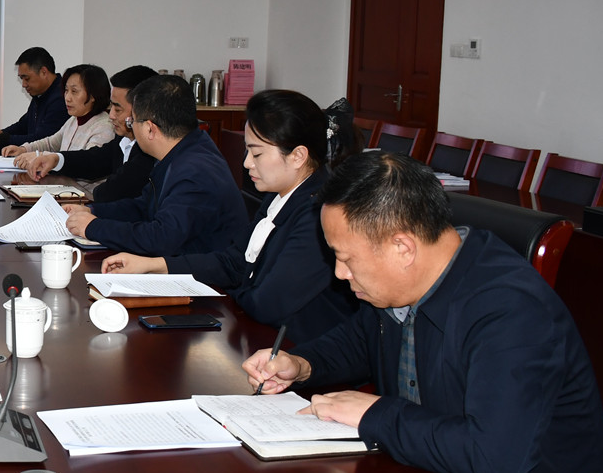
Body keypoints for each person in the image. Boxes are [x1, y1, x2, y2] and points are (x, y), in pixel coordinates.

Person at [243, 152, 603, 473]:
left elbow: (493, 461)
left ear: (402, 247)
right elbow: (361, 340)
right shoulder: (400, 284)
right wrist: (302, 364)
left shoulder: (511, 311)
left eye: (345, 258)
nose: (340, 273)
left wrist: (374, 413)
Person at [102, 89, 356, 344]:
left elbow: (266, 303)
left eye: (257, 154)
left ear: (298, 156)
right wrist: (153, 265)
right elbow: (233, 262)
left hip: (294, 349)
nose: (247, 163)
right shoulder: (280, 195)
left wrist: (225, 293)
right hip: (256, 334)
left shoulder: (318, 215)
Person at [64, 74, 247, 256]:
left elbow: (161, 239)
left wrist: (94, 227)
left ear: (150, 129)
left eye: (132, 121)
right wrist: (93, 211)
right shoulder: (182, 149)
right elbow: (144, 206)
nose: (131, 127)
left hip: (200, 270)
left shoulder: (195, 171)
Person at [22, 64, 158, 202]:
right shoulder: (122, 139)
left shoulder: (147, 153)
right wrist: (56, 159)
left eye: (118, 110)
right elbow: (95, 159)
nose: (111, 115)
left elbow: (112, 191)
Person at [2, 63, 115, 166]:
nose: (67, 98)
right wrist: (24, 149)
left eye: (74, 91)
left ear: (93, 95)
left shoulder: (104, 127)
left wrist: (40, 156)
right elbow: (51, 143)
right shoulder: (73, 120)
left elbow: (87, 163)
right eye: (66, 90)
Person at [0, 47, 69, 151]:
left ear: (44, 72)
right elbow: (23, 126)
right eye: (21, 79)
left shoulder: (61, 98)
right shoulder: (41, 94)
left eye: (27, 78)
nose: (24, 84)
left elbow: (41, 141)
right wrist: (0, 133)